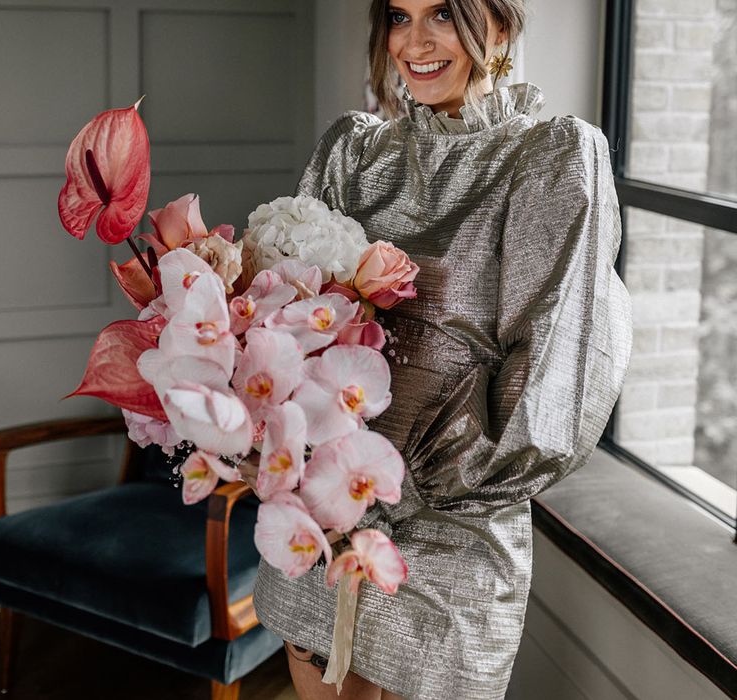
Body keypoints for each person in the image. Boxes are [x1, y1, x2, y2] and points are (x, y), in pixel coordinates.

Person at [248, 0, 634, 698]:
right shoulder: (352, 150)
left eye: (444, 15)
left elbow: (556, 381)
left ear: (502, 25)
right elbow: (292, 326)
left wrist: (400, 482)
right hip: (326, 515)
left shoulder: (550, 159)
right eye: (399, 16)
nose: (415, 42)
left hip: (454, 539)